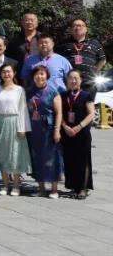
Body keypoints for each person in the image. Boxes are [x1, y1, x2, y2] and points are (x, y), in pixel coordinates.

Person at [0, 64, 31, 197]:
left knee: (15, 153)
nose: (6, 74)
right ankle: (5, 184)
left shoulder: (19, 90)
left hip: (14, 121)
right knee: (2, 154)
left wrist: (22, 127)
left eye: (8, 72)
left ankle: (16, 185)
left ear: (14, 73)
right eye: (3, 72)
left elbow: (23, 109)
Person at [27, 66, 63, 198]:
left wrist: (57, 130)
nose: (39, 76)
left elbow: (59, 113)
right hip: (34, 128)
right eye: (36, 74)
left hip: (49, 128)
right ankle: (41, 188)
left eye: (42, 74)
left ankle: (54, 189)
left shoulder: (53, 92)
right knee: (37, 157)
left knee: (52, 158)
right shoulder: (29, 92)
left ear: (47, 75)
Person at [61, 70, 94, 199]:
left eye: (76, 78)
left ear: (81, 80)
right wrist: (65, 126)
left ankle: (83, 188)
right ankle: (74, 187)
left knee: (83, 161)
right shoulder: (63, 95)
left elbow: (91, 114)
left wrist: (79, 127)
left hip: (82, 133)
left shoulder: (86, 95)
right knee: (70, 160)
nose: (73, 81)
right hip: (67, 133)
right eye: (70, 78)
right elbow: (59, 114)